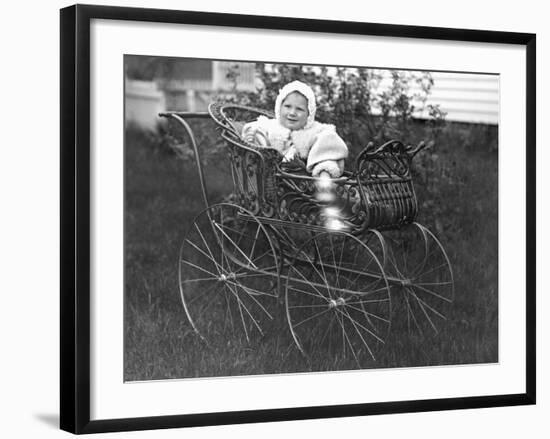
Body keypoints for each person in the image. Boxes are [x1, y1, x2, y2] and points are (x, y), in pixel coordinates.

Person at [241, 80, 348, 178]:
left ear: (309, 114)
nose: (292, 113)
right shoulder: (270, 126)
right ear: (279, 107)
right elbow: (255, 129)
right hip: (269, 178)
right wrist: (252, 136)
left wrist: (325, 171)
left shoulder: (314, 131)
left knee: (327, 144)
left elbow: (328, 145)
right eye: (287, 106)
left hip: (303, 184)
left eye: (299, 109)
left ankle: (325, 179)